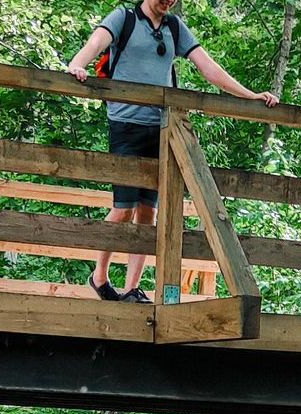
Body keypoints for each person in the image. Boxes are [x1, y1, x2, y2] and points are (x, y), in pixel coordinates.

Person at [64, 0, 278, 302]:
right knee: (123, 207)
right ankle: (99, 276)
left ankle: (132, 288)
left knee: (149, 210)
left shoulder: (174, 28)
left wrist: (250, 95)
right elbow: (97, 41)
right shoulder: (124, 18)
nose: (169, 1)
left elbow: (208, 66)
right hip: (125, 124)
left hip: (161, 128)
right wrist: (77, 64)